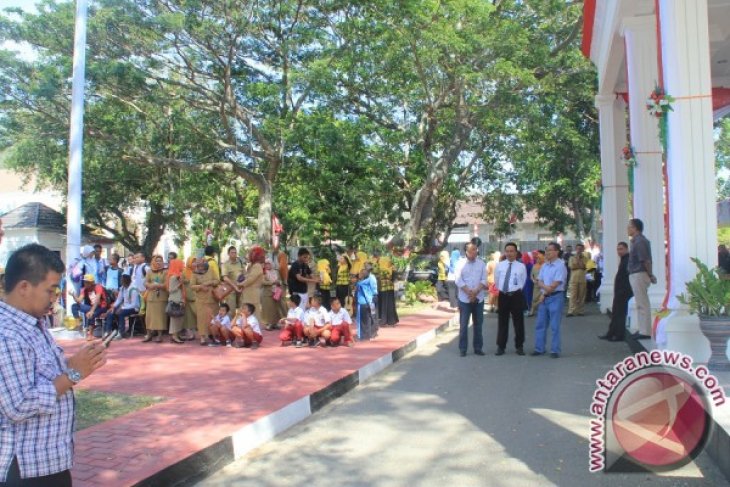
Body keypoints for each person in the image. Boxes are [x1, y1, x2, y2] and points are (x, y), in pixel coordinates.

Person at [0, 244, 107, 486]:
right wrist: (73, 373)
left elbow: (42, 375)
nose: (54, 298)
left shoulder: (33, 324)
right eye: (50, 290)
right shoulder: (7, 334)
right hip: (25, 468)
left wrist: (77, 363)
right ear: (24, 287)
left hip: (48, 462)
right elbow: (18, 405)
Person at [532, 242, 568, 358]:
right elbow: (539, 281)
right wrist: (545, 290)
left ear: (557, 252)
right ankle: (539, 348)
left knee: (554, 325)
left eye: (550, 250)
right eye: (546, 250)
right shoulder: (544, 265)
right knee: (540, 324)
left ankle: (555, 350)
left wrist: (545, 287)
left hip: (556, 297)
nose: (547, 252)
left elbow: (554, 285)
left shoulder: (561, 266)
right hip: (545, 297)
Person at [454, 243, 487, 357]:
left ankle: (478, 348)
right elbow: (458, 280)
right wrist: (469, 292)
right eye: (471, 250)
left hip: (479, 298)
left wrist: (476, 292)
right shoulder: (460, 263)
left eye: (475, 249)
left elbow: (484, 279)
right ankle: (463, 349)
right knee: (463, 325)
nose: (474, 252)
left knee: (478, 325)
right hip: (464, 299)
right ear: (466, 252)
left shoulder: (481, 263)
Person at [494, 243, 527, 356]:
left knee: (518, 322)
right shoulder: (500, 265)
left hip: (516, 296)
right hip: (503, 295)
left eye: (511, 251)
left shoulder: (521, 266)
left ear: (516, 252)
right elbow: (497, 280)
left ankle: (519, 346)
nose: (509, 253)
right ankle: (501, 346)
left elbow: (523, 281)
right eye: (507, 251)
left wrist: (515, 290)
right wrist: (504, 290)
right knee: (502, 322)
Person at [627, 218, 657, 339]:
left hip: (639, 273)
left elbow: (645, 260)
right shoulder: (636, 241)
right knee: (640, 303)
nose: (628, 229)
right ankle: (642, 329)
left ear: (635, 228)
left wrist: (650, 274)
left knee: (642, 303)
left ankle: (645, 331)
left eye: (629, 227)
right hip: (636, 273)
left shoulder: (640, 242)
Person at [599, 242, 633, 342]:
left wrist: (622, 290)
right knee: (616, 313)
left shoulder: (628, 260)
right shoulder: (624, 259)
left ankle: (619, 335)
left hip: (624, 291)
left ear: (626, 249)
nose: (619, 251)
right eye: (618, 249)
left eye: (621, 249)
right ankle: (611, 333)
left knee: (620, 314)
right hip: (619, 290)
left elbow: (627, 277)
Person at [191, 257, 220, 346]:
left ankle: (213, 335)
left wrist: (209, 283)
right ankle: (203, 337)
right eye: (198, 263)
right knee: (202, 319)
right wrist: (200, 287)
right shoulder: (194, 273)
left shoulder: (210, 270)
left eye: (201, 263)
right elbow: (192, 286)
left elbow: (217, 280)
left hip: (212, 298)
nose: (200, 265)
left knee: (212, 317)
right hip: (201, 299)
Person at [72, 274, 109, 339]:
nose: (85, 283)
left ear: (91, 283)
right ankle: (79, 323)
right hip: (92, 307)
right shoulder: (84, 289)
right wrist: (73, 295)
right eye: (84, 282)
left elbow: (97, 300)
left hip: (101, 307)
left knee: (92, 314)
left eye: (87, 282)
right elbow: (79, 301)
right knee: (74, 306)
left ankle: (90, 334)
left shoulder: (98, 287)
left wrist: (91, 311)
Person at [142, 255, 168, 343]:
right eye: (157, 260)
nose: (158, 262)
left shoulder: (165, 271)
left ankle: (159, 335)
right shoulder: (149, 271)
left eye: (160, 261)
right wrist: (150, 285)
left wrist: (158, 285)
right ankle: (149, 334)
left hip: (161, 297)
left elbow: (167, 284)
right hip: (151, 297)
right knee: (149, 317)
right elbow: (145, 282)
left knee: (160, 317)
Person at [104, 273, 140, 338]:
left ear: (127, 281)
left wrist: (122, 308)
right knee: (110, 312)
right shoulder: (122, 288)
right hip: (125, 307)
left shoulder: (133, 289)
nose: (121, 282)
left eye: (122, 280)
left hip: (134, 308)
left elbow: (134, 304)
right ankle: (108, 331)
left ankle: (121, 333)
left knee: (121, 313)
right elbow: (119, 300)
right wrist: (113, 307)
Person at [240, 246, 265, 321]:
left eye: (250, 253)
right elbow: (247, 277)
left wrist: (240, 284)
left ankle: (254, 331)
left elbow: (250, 279)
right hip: (249, 293)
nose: (249, 255)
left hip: (252, 294)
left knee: (252, 314)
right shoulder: (252, 265)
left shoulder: (257, 266)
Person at [355, 265, 378, 340]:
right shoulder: (371, 277)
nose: (360, 274)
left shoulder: (363, 282)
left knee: (370, 317)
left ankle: (367, 334)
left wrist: (370, 302)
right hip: (372, 299)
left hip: (369, 300)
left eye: (362, 272)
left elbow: (367, 293)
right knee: (372, 315)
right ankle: (372, 333)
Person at [221, 246, 245, 319]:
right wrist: (235, 287)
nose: (234, 254)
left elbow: (245, 273)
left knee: (242, 309)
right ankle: (230, 327)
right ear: (228, 254)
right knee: (231, 310)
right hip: (231, 290)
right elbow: (225, 278)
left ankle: (239, 326)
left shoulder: (240, 262)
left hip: (241, 289)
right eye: (232, 252)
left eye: (235, 252)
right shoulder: (225, 265)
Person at [166, 258, 186, 344]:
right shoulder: (173, 277)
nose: (182, 266)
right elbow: (170, 289)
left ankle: (176, 335)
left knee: (179, 319)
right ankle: (174, 336)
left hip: (178, 299)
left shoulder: (177, 276)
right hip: (175, 299)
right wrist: (179, 284)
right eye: (180, 264)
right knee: (174, 319)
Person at [261, 257, 284, 330]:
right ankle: (269, 324)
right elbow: (262, 282)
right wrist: (272, 282)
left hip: (276, 292)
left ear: (272, 264)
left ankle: (275, 323)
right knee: (268, 309)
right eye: (266, 264)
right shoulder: (263, 272)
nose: (267, 265)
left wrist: (279, 283)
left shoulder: (276, 272)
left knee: (275, 308)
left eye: (268, 264)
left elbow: (280, 280)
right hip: (267, 293)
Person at [377, 256, 399, 327]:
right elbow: (394, 278)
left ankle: (384, 321)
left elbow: (378, 278)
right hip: (388, 288)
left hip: (383, 288)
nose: (390, 262)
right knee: (389, 304)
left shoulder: (381, 269)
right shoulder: (390, 269)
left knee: (385, 304)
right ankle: (391, 321)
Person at [567, 243, 587, 317]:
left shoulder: (586, 258)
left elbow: (586, 267)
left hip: (582, 279)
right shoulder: (571, 258)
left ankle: (580, 311)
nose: (579, 250)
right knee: (572, 296)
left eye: (580, 249)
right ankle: (571, 311)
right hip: (573, 279)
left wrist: (579, 264)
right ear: (576, 249)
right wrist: (580, 265)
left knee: (581, 296)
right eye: (578, 248)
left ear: (583, 249)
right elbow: (572, 267)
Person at [182, 257, 198, 340]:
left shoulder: (198, 271)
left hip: (196, 297)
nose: (194, 264)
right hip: (187, 296)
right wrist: (187, 280)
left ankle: (197, 332)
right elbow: (181, 281)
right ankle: (190, 333)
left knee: (197, 314)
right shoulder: (184, 272)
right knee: (188, 317)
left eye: (195, 262)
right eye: (193, 262)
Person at [528, 251, 545, 317]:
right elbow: (531, 275)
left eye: (539, 258)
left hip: (543, 285)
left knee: (543, 299)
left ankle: (542, 311)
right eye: (537, 258)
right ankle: (532, 310)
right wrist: (533, 280)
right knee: (534, 298)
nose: (538, 260)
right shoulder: (534, 266)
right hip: (536, 285)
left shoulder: (545, 266)